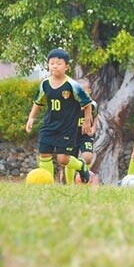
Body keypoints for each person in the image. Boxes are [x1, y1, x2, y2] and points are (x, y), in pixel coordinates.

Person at [25, 48, 92, 183]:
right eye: (52, 63)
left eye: (59, 63)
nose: (55, 66)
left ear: (66, 67)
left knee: (63, 159)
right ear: (48, 65)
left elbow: (87, 104)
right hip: (49, 124)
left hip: (66, 127)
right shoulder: (45, 83)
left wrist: (86, 121)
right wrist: (31, 118)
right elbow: (37, 102)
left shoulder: (73, 85)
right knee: (44, 154)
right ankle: (48, 184)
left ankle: (81, 165)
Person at [64, 78, 99, 185]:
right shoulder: (70, 105)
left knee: (88, 157)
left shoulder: (93, 105)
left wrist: (93, 128)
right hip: (72, 136)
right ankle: (69, 184)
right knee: (69, 159)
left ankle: (85, 179)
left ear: (89, 91)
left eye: (83, 92)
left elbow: (96, 116)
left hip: (85, 135)